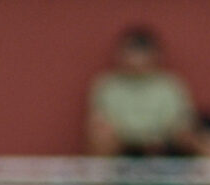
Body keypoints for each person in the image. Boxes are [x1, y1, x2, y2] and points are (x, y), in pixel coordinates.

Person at [85, 25, 198, 158]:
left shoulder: (170, 85)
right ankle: (101, 178)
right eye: (131, 52)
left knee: (207, 141)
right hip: (121, 148)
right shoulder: (107, 86)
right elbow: (99, 122)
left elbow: (183, 124)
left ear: (155, 55)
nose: (136, 60)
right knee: (100, 135)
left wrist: (160, 139)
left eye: (141, 52)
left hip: (164, 147)